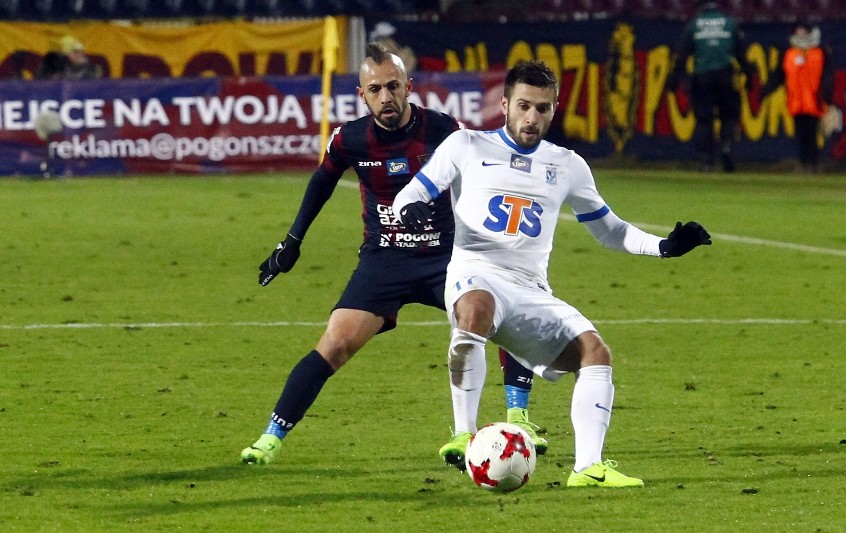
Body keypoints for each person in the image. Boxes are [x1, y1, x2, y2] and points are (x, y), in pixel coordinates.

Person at [392, 60, 712, 488]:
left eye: (542, 108)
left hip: (529, 289)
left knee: (594, 352)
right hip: (475, 271)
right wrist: (410, 209)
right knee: (476, 309)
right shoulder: (466, 145)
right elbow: (411, 192)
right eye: (523, 106)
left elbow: (609, 230)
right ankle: (464, 434)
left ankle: (588, 468)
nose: (532, 117)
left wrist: (665, 247)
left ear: (553, 110)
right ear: (504, 104)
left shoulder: (568, 165)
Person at [241, 43, 546, 467]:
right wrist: (292, 241)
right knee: (336, 343)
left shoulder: (444, 130)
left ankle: (519, 418)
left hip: (447, 256)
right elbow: (322, 181)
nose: (386, 97)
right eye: (375, 89)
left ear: (409, 87)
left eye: (393, 86)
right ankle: (270, 438)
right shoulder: (349, 139)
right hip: (385, 259)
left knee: (505, 315)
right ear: (361, 95)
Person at [665, 2, 753, 172]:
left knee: (704, 120)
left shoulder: (695, 25)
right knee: (729, 115)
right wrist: (748, 76)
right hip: (726, 76)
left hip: (702, 78)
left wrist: (673, 80)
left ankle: (706, 160)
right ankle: (726, 146)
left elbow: (682, 55)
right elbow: (741, 53)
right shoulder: (730, 23)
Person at [761, 22, 833, 171]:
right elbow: (778, 75)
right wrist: (765, 91)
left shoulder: (820, 52)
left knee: (812, 133)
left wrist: (827, 97)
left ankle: (813, 163)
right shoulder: (789, 53)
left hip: (814, 101)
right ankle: (804, 163)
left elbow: (827, 77)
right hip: (796, 101)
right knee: (800, 135)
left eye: (802, 31)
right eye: (798, 31)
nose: (799, 34)